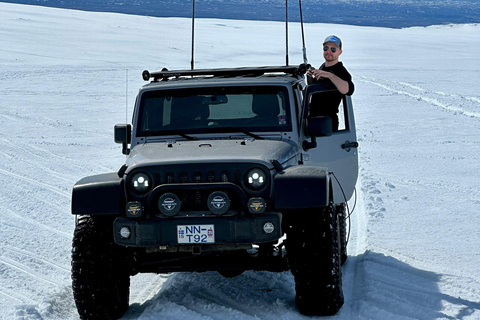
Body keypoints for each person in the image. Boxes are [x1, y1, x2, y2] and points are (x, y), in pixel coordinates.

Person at [306, 35, 354, 130]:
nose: (329, 52)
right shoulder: (323, 67)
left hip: (327, 123)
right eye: (326, 48)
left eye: (333, 49)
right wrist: (311, 77)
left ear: (340, 52)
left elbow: (348, 90)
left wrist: (330, 75)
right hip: (313, 119)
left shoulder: (341, 71)